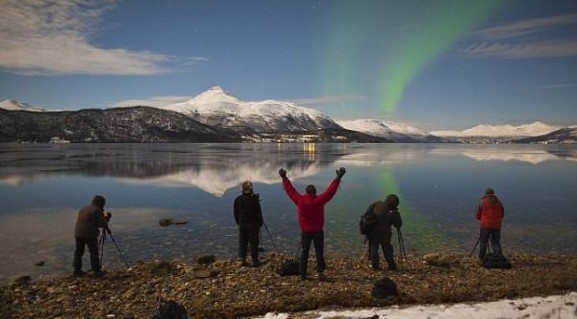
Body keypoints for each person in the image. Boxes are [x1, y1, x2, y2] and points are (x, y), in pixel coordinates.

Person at [279, 167, 346, 280]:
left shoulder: (300, 201)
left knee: (304, 252)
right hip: (318, 231)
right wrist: (338, 177)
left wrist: (284, 178)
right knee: (319, 252)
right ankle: (320, 273)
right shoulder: (319, 201)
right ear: (315, 192)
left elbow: (290, 191)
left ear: (306, 192)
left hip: (305, 231)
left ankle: (302, 274)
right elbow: (330, 191)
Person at [73, 195, 111, 277]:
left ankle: (77, 270)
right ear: (100, 203)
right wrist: (107, 218)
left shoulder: (83, 209)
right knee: (94, 253)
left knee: (78, 252)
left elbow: (89, 221)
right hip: (89, 235)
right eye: (103, 204)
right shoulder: (97, 210)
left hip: (78, 233)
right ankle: (96, 271)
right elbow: (102, 224)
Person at [365, 194, 403, 271]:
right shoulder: (394, 212)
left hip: (372, 231)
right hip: (385, 234)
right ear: (395, 204)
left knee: (373, 248)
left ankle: (375, 267)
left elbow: (367, 213)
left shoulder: (377, 203)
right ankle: (391, 266)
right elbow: (398, 224)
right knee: (387, 248)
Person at [233, 181, 264, 267]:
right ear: (250, 189)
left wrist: (238, 222)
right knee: (253, 242)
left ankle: (243, 260)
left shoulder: (237, 199)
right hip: (253, 225)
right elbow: (258, 213)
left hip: (242, 225)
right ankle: (255, 261)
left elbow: (235, 213)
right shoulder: (254, 199)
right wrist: (260, 223)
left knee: (243, 242)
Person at [475, 187, 505, 260]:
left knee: (483, 242)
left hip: (485, 225)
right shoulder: (499, 202)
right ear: (493, 194)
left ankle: (481, 258)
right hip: (497, 225)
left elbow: (478, 214)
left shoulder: (483, 202)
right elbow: (502, 214)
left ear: (485, 193)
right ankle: (498, 257)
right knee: (496, 242)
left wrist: (481, 220)